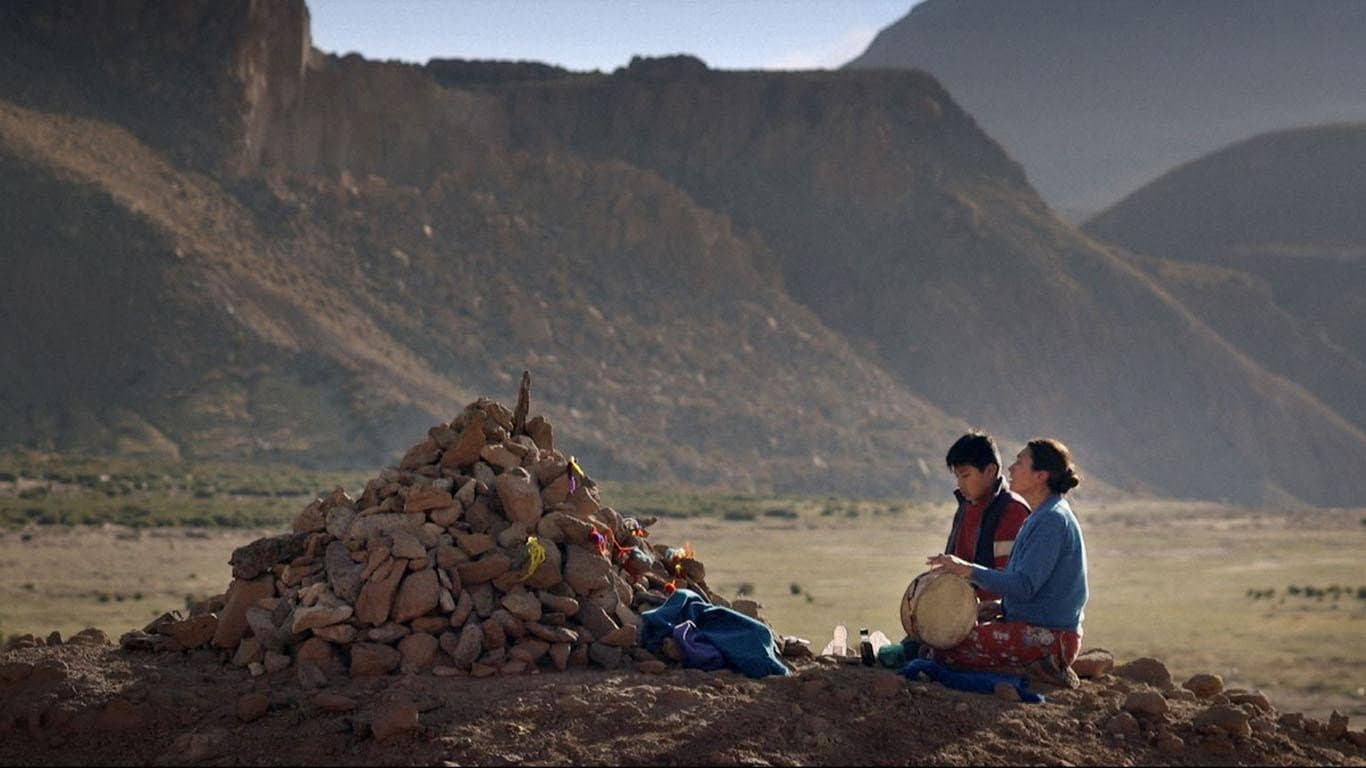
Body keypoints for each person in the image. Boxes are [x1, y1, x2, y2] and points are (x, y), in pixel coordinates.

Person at [926, 438, 1089, 688]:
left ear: (1040, 476)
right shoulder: (1041, 516)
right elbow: (1029, 588)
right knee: (939, 640)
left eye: (1020, 462)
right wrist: (1001, 607)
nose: (1011, 468)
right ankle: (1027, 669)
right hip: (1033, 627)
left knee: (946, 650)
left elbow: (1024, 585)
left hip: (1052, 638)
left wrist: (967, 569)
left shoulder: (1052, 521)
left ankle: (1038, 670)